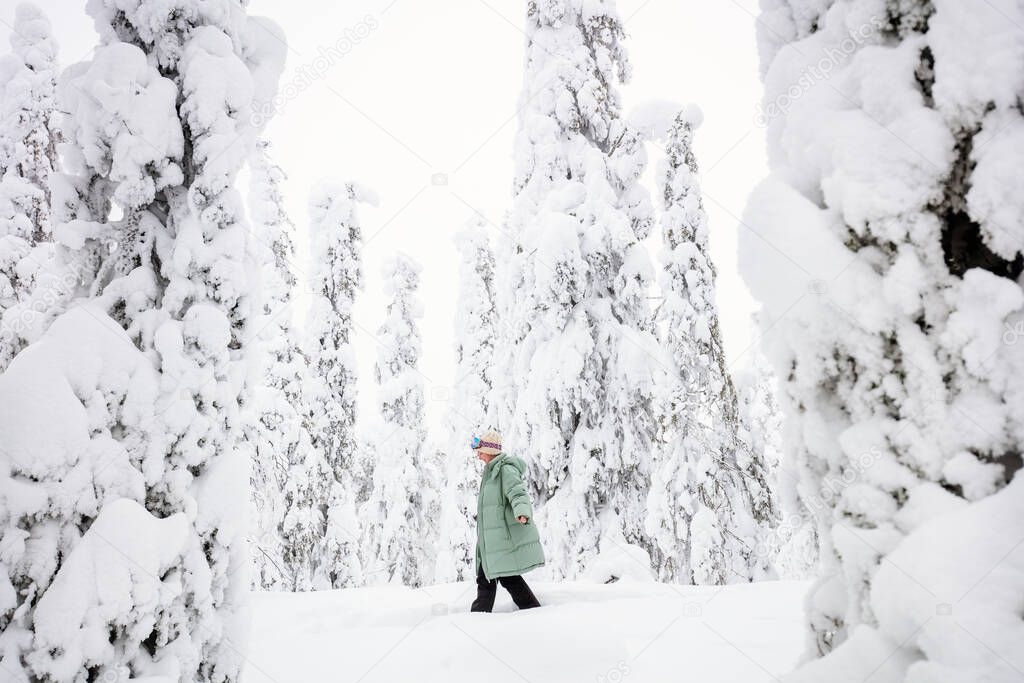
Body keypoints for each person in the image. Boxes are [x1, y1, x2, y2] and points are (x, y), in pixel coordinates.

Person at [469, 430, 544, 612]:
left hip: (501, 540)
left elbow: (517, 493)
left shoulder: (505, 469)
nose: (478, 455)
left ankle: (533, 612)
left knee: (506, 578)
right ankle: (531, 611)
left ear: (490, 450)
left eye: (480, 451)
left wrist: (522, 511)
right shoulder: (491, 471)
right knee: (490, 579)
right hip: (492, 541)